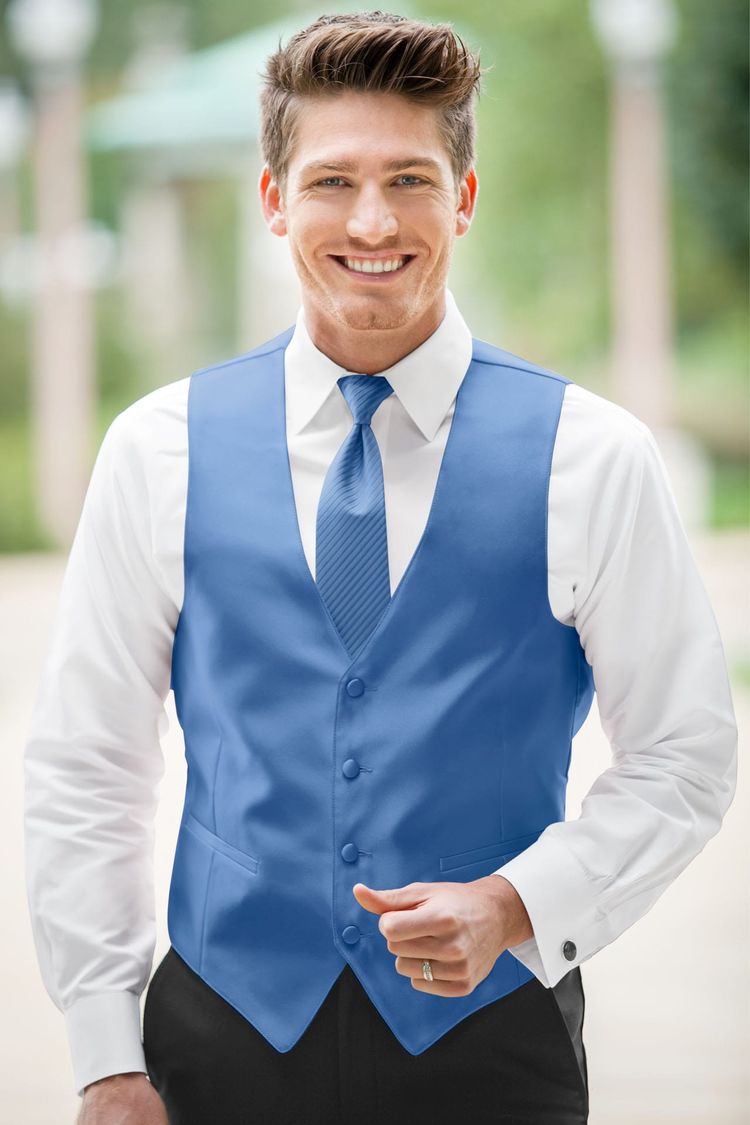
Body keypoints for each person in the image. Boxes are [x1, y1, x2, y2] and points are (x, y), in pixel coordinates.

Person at [24, 11, 738, 1125]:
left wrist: (517, 904)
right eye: (332, 181)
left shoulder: (592, 457)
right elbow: (88, 763)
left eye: (410, 179)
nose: (372, 221)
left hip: (493, 1047)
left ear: (464, 197)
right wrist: (106, 1055)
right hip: (217, 1040)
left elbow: (686, 753)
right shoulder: (157, 450)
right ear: (275, 199)